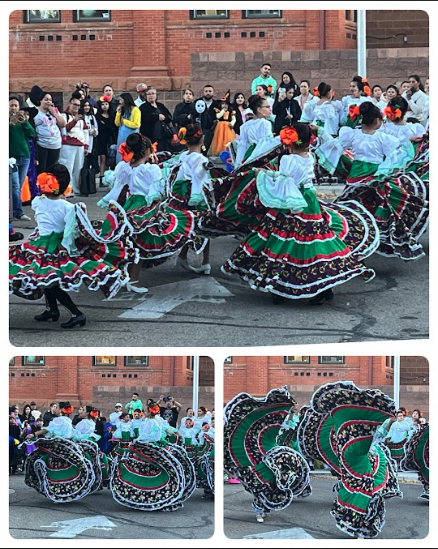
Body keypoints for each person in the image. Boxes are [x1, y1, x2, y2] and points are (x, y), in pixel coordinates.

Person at [224, 122, 379, 304]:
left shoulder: (287, 160)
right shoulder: (310, 157)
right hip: (309, 201)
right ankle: (320, 288)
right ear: (308, 142)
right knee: (312, 243)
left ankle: (280, 285)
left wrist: (262, 174)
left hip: (291, 201)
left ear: (289, 142)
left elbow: (284, 181)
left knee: (282, 243)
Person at [9, 163, 131, 326]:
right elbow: (72, 230)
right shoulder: (68, 207)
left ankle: (76, 314)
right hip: (56, 245)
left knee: (49, 281)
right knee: (47, 279)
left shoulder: (38, 201)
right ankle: (53, 309)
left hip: (44, 246)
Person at [317, 101, 429, 260]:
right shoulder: (383, 138)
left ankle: (353, 239)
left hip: (354, 179)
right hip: (374, 178)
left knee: (352, 209)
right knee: (377, 207)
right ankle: (371, 237)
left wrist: (321, 132)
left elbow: (335, 145)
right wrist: (411, 142)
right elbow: (398, 152)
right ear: (377, 120)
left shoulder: (354, 134)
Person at [224, 387, 311, 524]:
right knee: (260, 482)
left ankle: (266, 505)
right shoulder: (268, 423)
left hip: (278, 449)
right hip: (262, 451)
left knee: (277, 479)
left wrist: (291, 410)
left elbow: (291, 425)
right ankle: (259, 509)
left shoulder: (286, 420)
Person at [9, 96, 36, 221]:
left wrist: (25, 123)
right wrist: (10, 124)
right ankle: (18, 212)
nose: (13, 108)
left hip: (24, 157)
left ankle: (14, 210)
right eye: (11, 105)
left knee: (18, 186)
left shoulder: (22, 121)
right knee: (14, 186)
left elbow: (32, 134)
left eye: (16, 105)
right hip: (10, 158)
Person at [58, 94, 90, 196]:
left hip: (79, 146)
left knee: (78, 169)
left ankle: (76, 189)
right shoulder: (64, 116)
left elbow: (85, 132)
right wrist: (74, 120)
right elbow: (64, 129)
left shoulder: (81, 118)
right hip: (68, 145)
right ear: (70, 104)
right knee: (68, 167)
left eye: (78, 105)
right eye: (74, 104)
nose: (76, 107)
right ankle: (68, 190)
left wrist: (86, 146)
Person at [34, 91, 66, 174]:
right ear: (40, 100)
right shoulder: (36, 113)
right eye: (46, 99)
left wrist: (54, 113)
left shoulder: (54, 111)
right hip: (42, 144)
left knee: (52, 171)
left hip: (55, 144)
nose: (49, 102)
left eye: (50, 100)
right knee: (41, 170)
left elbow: (63, 124)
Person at [139, 87, 173, 153]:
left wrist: (164, 117)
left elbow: (169, 116)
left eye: (153, 93)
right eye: (149, 94)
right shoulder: (143, 107)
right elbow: (144, 118)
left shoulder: (160, 106)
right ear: (146, 96)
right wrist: (156, 117)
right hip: (150, 136)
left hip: (163, 136)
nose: (151, 96)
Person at [96, 95, 117, 184]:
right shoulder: (98, 116)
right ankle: (102, 177)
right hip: (101, 139)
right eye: (103, 104)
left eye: (106, 104)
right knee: (102, 159)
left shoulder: (113, 116)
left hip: (111, 139)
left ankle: (110, 178)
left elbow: (114, 127)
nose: (105, 106)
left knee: (111, 159)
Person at [115, 92, 141, 163]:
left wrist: (125, 121)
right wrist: (118, 113)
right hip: (122, 136)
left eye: (121, 100)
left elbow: (136, 124)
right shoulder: (123, 110)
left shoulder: (135, 110)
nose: (119, 102)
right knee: (121, 154)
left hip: (132, 136)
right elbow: (117, 123)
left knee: (130, 155)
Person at [82, 99, 99, 173]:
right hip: (83, 141)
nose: (87, 107)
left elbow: (96, 129)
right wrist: (88, 131)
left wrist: (94, 131)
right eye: (85, 106)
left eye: (88, 105)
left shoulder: (92, 117)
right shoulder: (80, 117)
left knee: (90, 161)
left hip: (91, 142)